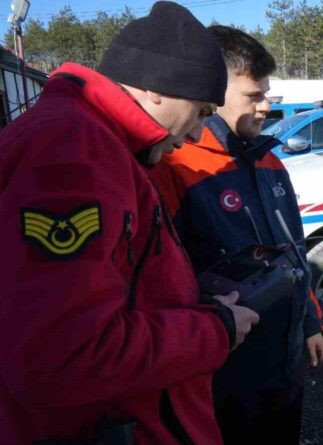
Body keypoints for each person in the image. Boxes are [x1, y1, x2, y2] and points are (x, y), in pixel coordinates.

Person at [0, 3, 260, 444]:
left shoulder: (97, 142)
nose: (197, 134)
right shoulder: (75, 150)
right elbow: (63, 355)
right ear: (157, 89)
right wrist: (214, 328)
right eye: (200, 110)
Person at [151, 25, 323, 444]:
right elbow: (158, 281)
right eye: (254, 96)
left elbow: (296, 255)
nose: (266, 106)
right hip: (221, 377)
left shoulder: (270, 164)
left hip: (284, 368)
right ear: (214, 89)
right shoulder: (174, 166)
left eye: (267, 94)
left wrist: (310, 324)